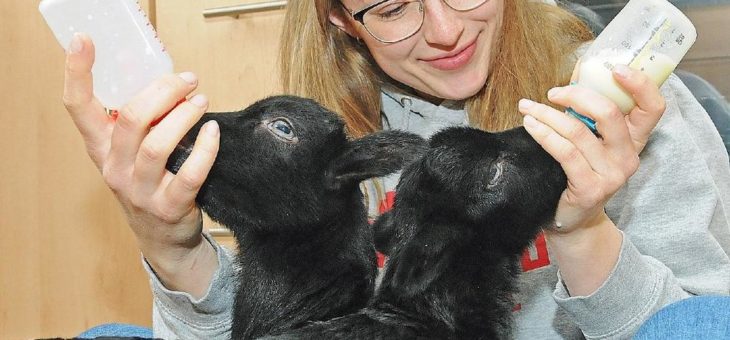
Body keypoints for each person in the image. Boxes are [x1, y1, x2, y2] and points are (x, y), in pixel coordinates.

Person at [61, 0, 730, 339]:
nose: (443, 29)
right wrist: (170, 246)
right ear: (339, 18)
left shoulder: (623, 109)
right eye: (391, 4)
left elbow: (698, 325)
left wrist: (584, 232)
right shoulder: (321, 143)